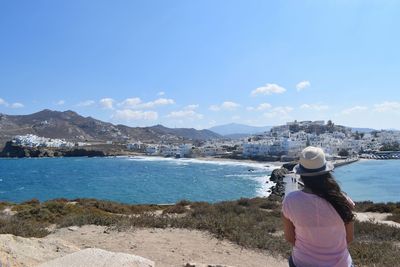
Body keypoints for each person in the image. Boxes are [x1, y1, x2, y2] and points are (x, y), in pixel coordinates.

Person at [282, 146, 355, 267]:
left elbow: (290, 238)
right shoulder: (342, 200)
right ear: (326, 173)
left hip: (302, 263)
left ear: (302, 174)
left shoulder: (290, 200)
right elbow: (349, 238)